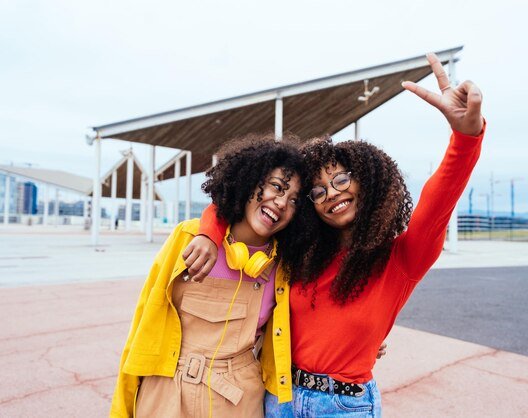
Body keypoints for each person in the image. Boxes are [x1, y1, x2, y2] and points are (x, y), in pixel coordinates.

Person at [185, 52, 485, 416]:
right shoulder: (301, 254)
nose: (333, 194)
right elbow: (233, 209)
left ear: (368, 182)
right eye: (319, 191)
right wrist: (208, 234)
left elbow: (438, 200)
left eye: (341, 179)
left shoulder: (403, 257)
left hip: (345, 405)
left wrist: (464, 138)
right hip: (279, 397)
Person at [110, 135, 307, 418]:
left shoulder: (284, 267)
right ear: (249, 180)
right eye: (276, 187)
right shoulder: (187, 238)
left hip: (240, 401)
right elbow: (143, 326)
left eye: (294, 201)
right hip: (165, 393)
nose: (281, 203)